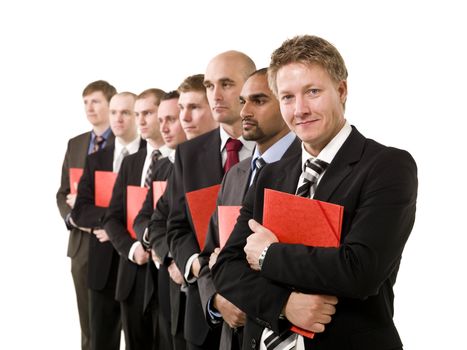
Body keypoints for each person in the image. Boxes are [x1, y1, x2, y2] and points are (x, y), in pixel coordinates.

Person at [211, 35, 418, 350]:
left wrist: (268, 254)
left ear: (341, 91)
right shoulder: (270, 174)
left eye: (313, 92)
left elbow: (359, 270)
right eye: (288, 97)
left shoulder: (386, 166)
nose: (300, 109)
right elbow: (227, 266)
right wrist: (284, 305)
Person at [197, 68, 301, 350]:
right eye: (243, 101)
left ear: (285, 102)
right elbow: (211, 252)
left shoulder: (307, 168)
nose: (245, 111)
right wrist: (217, 301)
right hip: (232, 336)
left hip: (283, 333)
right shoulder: (236, 174)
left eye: (259, 100)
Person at [166, 51, 256, 350]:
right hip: (203, 311)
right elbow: (177, 227)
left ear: (251, 86)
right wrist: (204, 280)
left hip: (257, 314)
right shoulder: (188, 154)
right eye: (208, 85)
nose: (215, 95)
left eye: (226, 84)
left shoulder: (279, 150)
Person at [146, 74, 218, 350]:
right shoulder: (182, 161)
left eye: (194, 108)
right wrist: (180, 261)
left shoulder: (254, 157)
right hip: (191, 297)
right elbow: (160, 221)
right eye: (181, 110)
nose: (185, 118)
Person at [71, 91, 144, 350]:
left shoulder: (151, 154)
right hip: (102, 263)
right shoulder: (96, 159)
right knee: (100, 341)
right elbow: (79, 210)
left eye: (125, 112)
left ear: (136, 116)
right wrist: (109, 222)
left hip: (139, 264)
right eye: (113, 112)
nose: (118, 118)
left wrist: (114, 226)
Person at [103, 88, 170, 350]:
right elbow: (111, 218)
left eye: (148, 113)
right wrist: (132, 249)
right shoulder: (131, 162)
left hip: (166, 274)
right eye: (137, 114)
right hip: (132, 275)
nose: (141, 120)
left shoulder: (181, 159)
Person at [56, 80, 116, 350]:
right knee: (88, 327)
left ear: (110, 103)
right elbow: (63, 193)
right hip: (81, 247)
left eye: (96, 101)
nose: (89, 107)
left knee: (116, 323)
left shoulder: (126, 143)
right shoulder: (76, 144)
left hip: (115, 243)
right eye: (85, 102)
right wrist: (73, 218)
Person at [133, 90, 187, 350]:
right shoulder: (164, 165)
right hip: (163, 274)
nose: (163, 127)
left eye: (171, 119)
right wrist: (154, 243)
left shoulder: (201, 166)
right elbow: (146, 217)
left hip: (191, 276)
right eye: (161, 119)